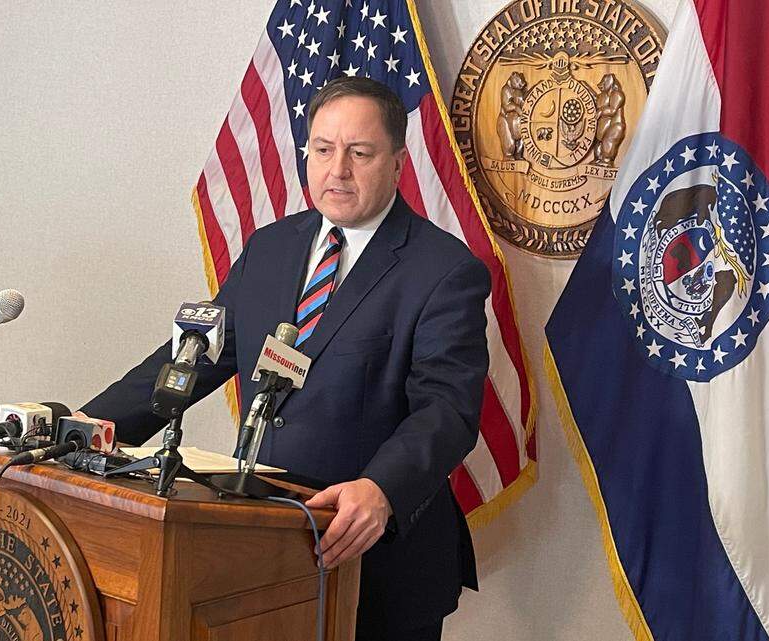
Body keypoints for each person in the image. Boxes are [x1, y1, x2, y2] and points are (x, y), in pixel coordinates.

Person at [81, 77, 490, 641]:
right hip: (261, 552)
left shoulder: (444, 271)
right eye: (323, 150)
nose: (337, 169)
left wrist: (383, 489)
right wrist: (87, 427)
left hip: (374, 559)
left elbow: (447, 410)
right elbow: (193, 357)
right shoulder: (270, 247)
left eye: (360, 153)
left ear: (398, 163)